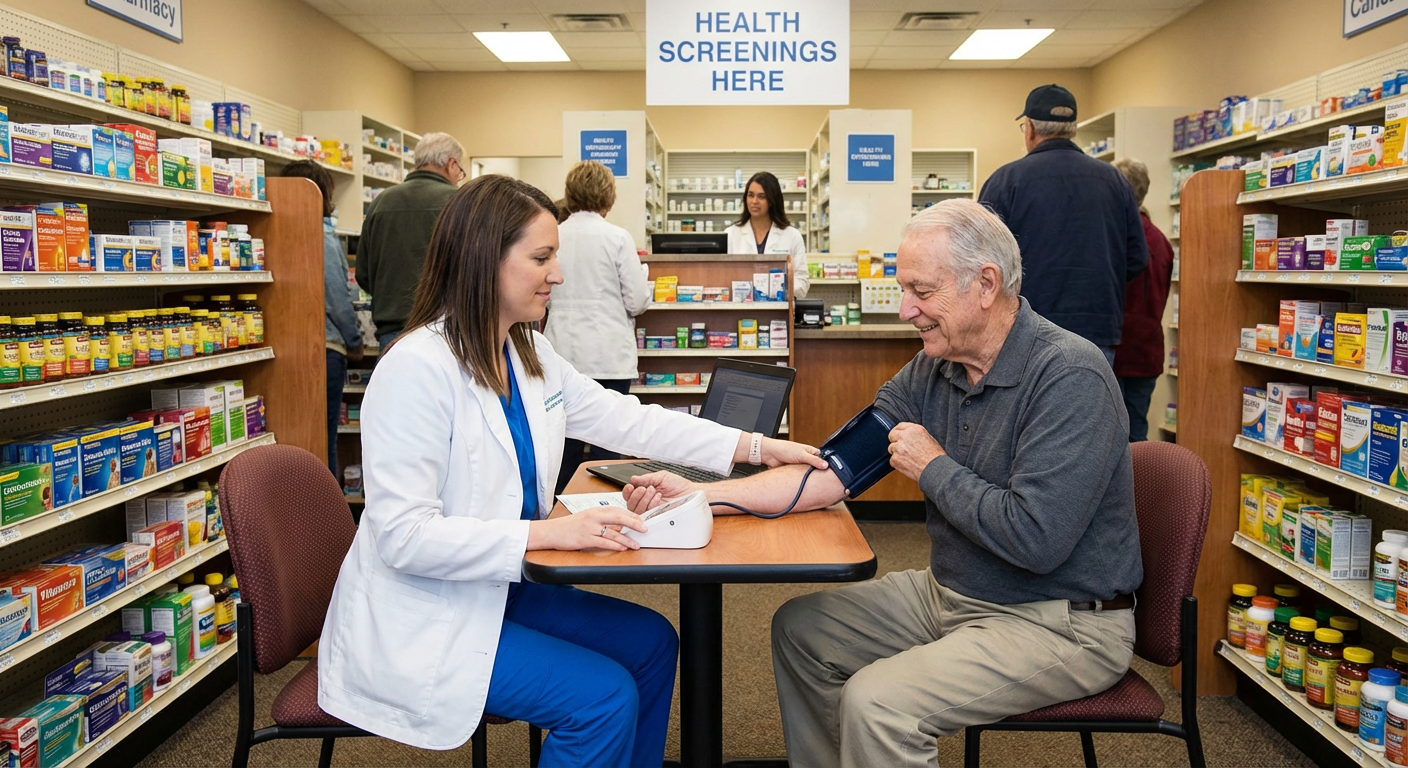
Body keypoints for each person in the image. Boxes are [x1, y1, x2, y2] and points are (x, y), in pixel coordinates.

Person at [317, 175, 827, 766]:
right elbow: (404, 538)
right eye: (541, 257)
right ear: (484, 260)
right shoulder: (416, 369)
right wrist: (549, 533)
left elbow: (627, 419)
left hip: (497, 591)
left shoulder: (525, 352)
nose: (557, 274)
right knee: (601, 700)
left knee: (653, 643)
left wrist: (758, 448)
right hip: (425, 613)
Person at [624, 198, 1143, 768]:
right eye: (903, 290)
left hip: (1059, 620)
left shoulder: (1070, 376)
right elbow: (832, 471)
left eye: (922, 292)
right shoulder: (934, 366)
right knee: (803, 631)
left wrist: (934, 467)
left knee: (880, 704)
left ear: (985, 284)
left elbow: (1036, 540)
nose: (904, 310)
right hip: (956, 593)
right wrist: (701, 496)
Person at [978, 84, 1148, 365]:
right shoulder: (1114, 181)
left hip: (1024, 329)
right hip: (1096, 328)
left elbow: (980, 258)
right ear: (1073, 129)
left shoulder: (1006, 181)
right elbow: (1137, 258)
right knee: (1088, 405)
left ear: (1029, 128)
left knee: (1024, 407)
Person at [544, 160, 653, 494]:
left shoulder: (553, 234)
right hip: (608, 357)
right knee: (608, 444)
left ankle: (562, 516)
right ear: (608, 196)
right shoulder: (617, 237)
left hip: (561, 353)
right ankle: (606, 513)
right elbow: (636, 301)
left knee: (564, 448)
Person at [278, 160, 363, 477]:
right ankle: (330, 519)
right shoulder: (322, 238)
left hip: (289, 350)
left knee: (298, 438)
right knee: (322, 440)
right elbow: (337, 300)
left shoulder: (279, 232)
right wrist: (354, 341)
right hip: (324, 351)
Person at [355, 131, 465, 350]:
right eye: (460, 171)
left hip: (393, 331)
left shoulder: (381, 202)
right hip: (446, 329)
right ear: (452, 164)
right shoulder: (459, 202)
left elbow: (364, 275)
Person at [1111, 158, 1175, 441]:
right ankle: (1139, 486)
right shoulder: (1160, 240)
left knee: (1108, 436)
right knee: (1136, 432)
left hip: (1118, 351)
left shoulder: (1116, 235)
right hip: (1147, 352)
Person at [725, 171, 809, 298]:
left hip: (779, 312)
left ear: (772, 200)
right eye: (750, 195)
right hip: (740, 310)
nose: (754, 201)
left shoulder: (792, 235)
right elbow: (721, 276)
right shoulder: (731, 234)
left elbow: (802, 282)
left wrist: (778, 292)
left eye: (761, 196)